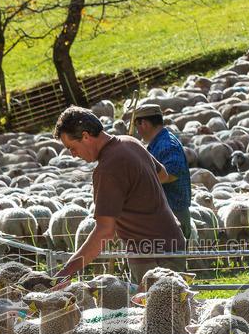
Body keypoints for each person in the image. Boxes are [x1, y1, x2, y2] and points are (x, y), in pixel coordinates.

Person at [51, 106, 186, 285]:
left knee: (159, 310)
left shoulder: (107, 169)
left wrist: (67, 271)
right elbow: (163, 174)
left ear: (85, 136)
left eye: (72, 148)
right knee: (174, 308)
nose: (74, 155)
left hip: (151, 256)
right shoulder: (130, 142)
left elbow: (104, 231)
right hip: (173, 242)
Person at [132, 104, 193, 241]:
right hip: (165, 214)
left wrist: (137, 184)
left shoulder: (167, 144)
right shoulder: (158, 143)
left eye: (137, 126)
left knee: (171, 261)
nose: (137, 131)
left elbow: (171, 173)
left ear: (145, 124)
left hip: (172, 214)